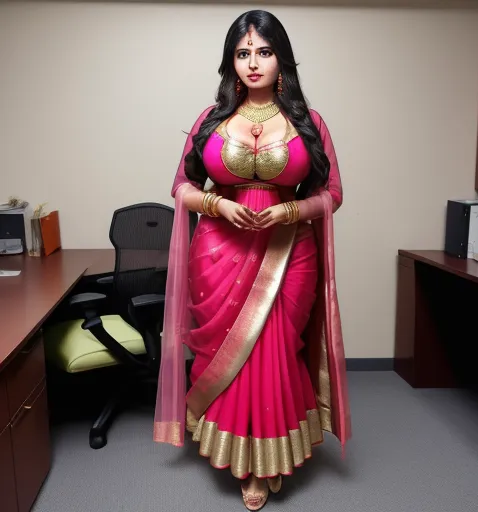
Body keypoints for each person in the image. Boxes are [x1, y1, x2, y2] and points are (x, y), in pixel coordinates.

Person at [154, 9, 351, 511]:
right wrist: (218, 203)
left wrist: (291, 208)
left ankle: (272, 455)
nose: (253, 62)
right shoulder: (212, 119)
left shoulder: (309, 122)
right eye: (243, 53)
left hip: (290, 251)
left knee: (277, 352)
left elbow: (333, 193)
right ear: (231, 63)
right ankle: (249, 465)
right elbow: (180, 187)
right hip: (220, 251)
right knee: (234, 359)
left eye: (263, 51)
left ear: (281, 58)